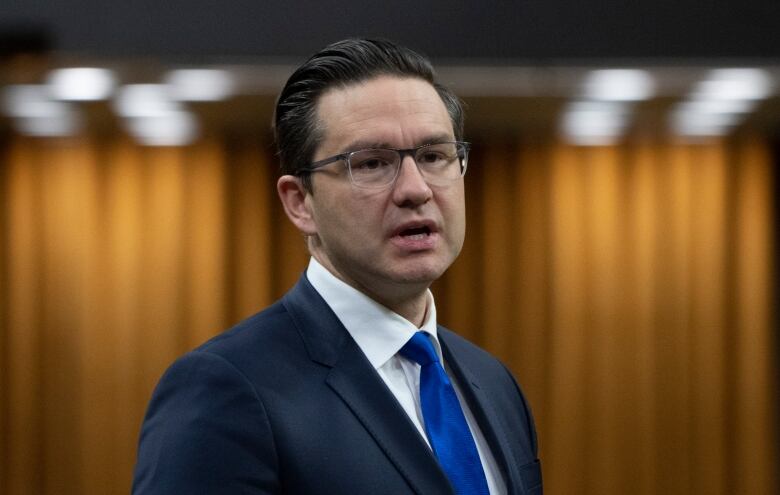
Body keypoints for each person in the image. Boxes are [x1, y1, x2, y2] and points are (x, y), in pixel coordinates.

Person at [132, 38, 541, 495]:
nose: (415, 189)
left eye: (433, 156)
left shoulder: (494, 382)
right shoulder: (225, 389)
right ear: (300, 202)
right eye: (371, 163)